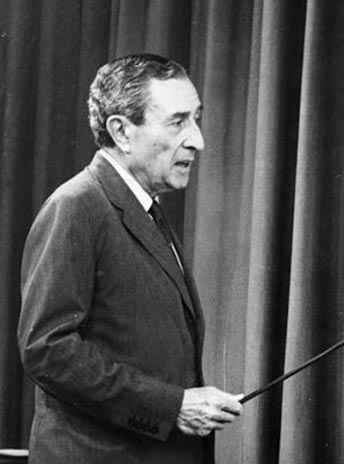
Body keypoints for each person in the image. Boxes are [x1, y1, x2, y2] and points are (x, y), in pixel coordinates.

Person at [17, 53, 242, 464]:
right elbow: (47, 350)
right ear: (121, 131)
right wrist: (171, 406)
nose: (197, 140)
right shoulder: (77, 205)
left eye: (196, 119)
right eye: (177, 122)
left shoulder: (144, 208)